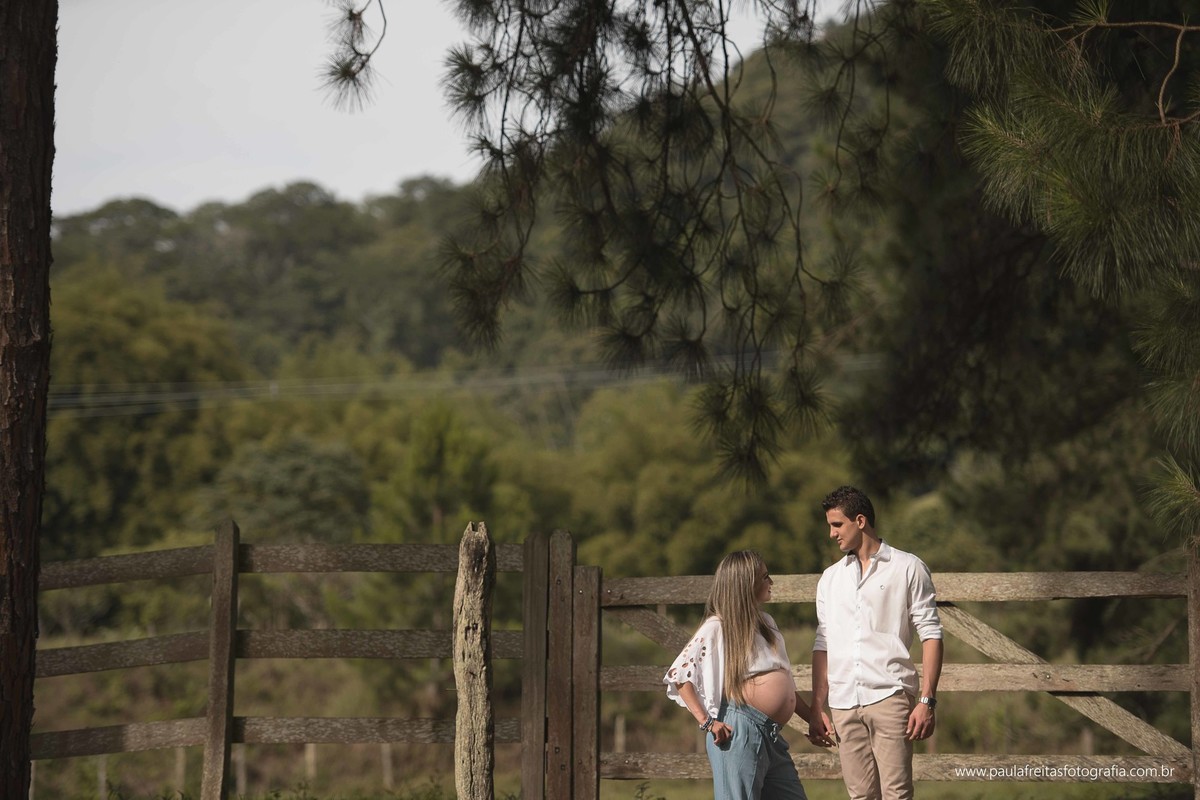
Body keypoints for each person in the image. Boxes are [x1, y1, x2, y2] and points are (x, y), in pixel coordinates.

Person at [808, 485, 943, 800]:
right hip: (842, 703)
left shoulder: (908, 567)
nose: (831, 534)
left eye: (837, 525)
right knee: (860, 796)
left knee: (896, 794)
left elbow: (931, 633)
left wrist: (927, 701)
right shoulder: (830, 579)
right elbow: (822, 643)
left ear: (860, 520)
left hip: (889, 695)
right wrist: (816, 706)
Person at [665, 550, 821, 799]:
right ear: (746, 584)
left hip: (770, 733)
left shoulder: (767, 623)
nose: (771, 582)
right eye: (765, 577)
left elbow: (784, 684)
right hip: (740, 729)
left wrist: (811, 716)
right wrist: (707, 722)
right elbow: (680, 675)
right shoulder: (718, 626)